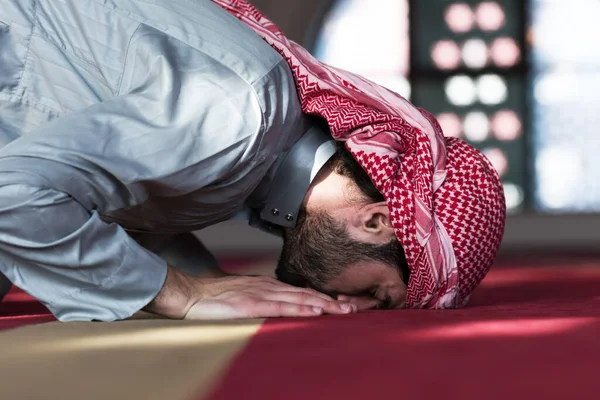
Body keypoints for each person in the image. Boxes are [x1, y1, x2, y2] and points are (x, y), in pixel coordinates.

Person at [0, 0, 506, 322]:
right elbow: (15, 194)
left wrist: (208, 280)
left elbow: (124, 197)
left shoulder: (257, 145)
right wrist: (182, 294)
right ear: (375, 221)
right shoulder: (240, 115)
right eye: (379, 294)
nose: (353, 308)